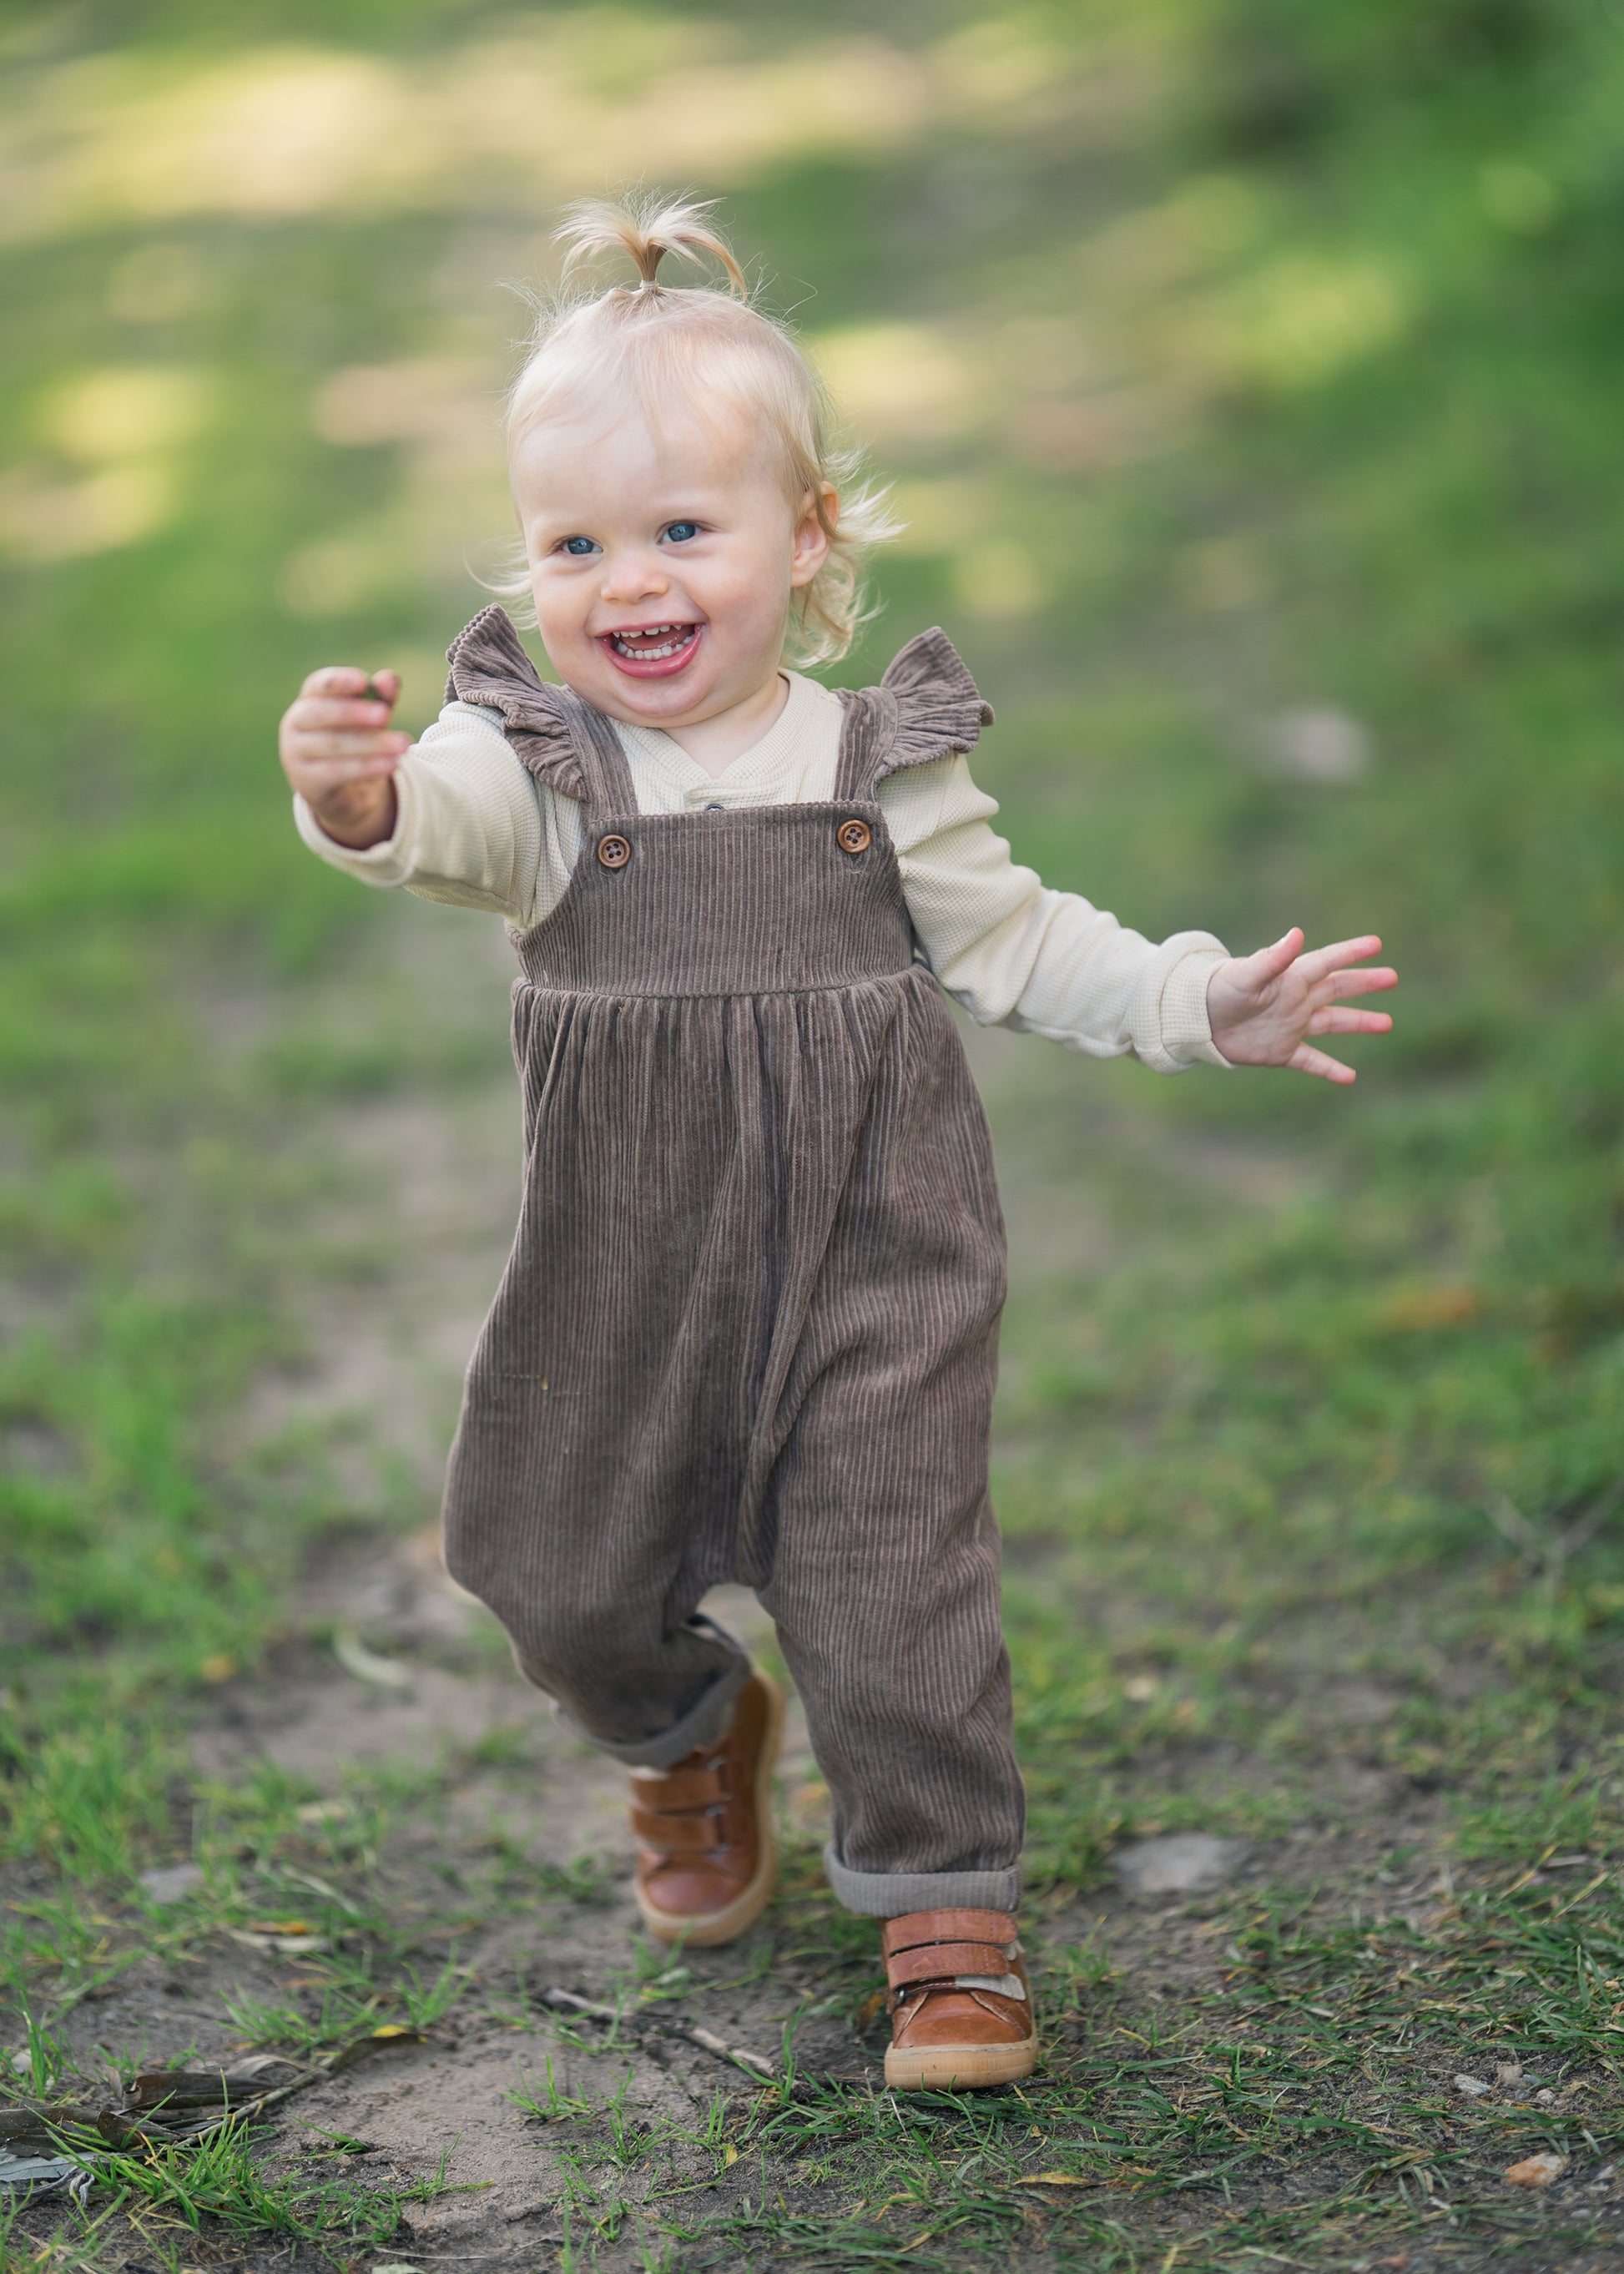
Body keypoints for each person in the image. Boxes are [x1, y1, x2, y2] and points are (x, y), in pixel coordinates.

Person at [277, 197, 1395, 2092]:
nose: (626, 580)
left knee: (894, 1572)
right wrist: (362, 792)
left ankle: (945, 1907)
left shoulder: (880, 767)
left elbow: (1021, 937)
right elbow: (435, 829)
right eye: (576, 544)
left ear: (805, 546)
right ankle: (692, 1735)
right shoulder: (539, 769)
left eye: (681, 530)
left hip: (878, 1240)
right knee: (545, 1563)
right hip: (624, 1270)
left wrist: (1203, 998)